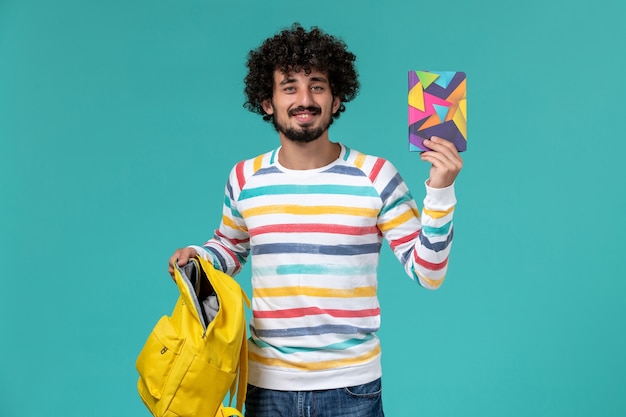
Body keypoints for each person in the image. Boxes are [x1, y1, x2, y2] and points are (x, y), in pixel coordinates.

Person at [168, 23, 462, 417]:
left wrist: (440, 190)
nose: (304, 99)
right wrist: (198, 258)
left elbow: (429, 272)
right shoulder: (244, 178)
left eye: (317, 86)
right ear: (267, 101)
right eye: (289, 86)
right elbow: (230, 247)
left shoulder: (376, 176)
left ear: (337, 98)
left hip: (352, 388)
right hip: (266, 387)